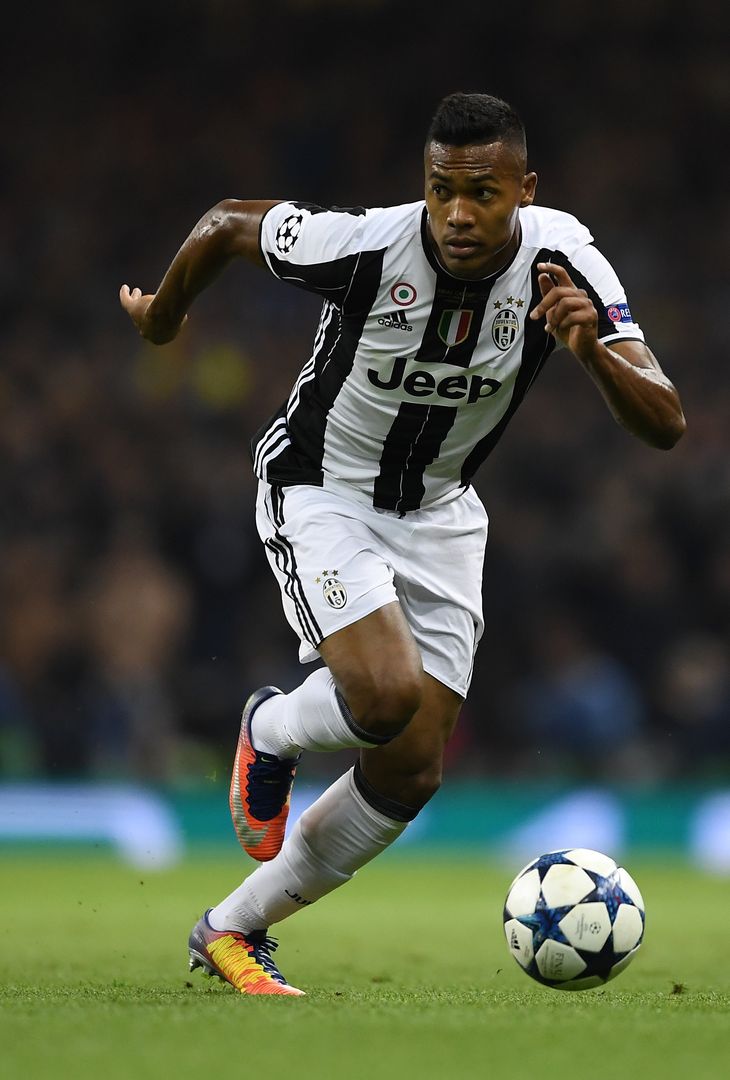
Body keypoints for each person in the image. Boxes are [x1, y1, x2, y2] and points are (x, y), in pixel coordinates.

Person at [120, 92, 686, 996]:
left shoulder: (565, 258)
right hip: (322, 489)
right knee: (384, 696)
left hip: (442, 513)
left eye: (483, 194)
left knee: (411, 767)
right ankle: (270, 728)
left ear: (525, 190)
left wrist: (593, 352)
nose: (457, 214)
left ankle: (232, 929)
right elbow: (227, 224)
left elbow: (665, 423)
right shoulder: (368, 246)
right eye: (441, 190)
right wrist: (163, 318)